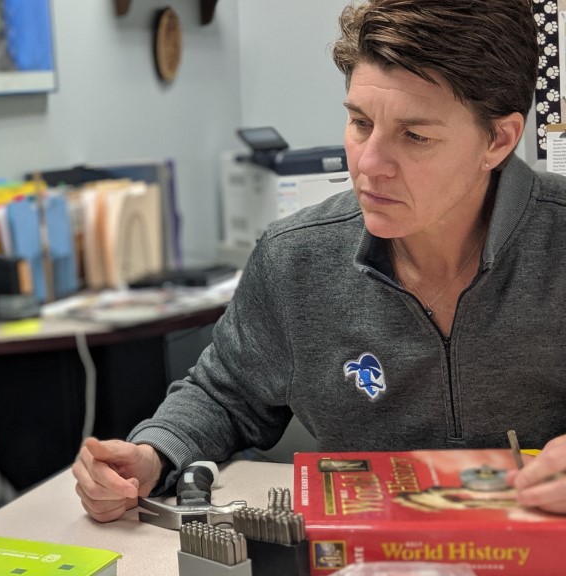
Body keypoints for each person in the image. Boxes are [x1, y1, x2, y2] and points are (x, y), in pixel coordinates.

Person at [73, 0, 566, 523]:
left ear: (499, 139)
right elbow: (224, 397)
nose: (370, 164)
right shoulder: (296, 258)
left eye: (415, 136)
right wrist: (153, 455)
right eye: (359, 123)